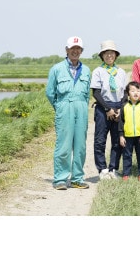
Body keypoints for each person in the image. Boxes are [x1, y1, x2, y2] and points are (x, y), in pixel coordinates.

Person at [46, 36, 91, 190]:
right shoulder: (57, 69)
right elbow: (50, 92)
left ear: (82, 51)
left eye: (78, 49)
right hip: (64, 107)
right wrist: (59, 107)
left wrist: (82, 106)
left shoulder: (86, 70)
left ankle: (77, 178)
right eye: (72, 48)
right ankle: (60, 179)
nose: (75, 51)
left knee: (80, 145)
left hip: (81, 107)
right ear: (67, 50)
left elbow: (87, 95)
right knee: (63, 145)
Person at [91, 40, 127, 180]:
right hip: (103, 108)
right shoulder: (98, 72)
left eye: (111, 53)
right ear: (102, 55)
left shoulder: (121, 72)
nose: (109, 56)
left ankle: (113, 168)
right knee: (100, 140)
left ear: (116, 55)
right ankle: (102, 169)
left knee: (117, 140)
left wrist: (119, 109)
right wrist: (107, 109)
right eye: (106, 53)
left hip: (118, 107)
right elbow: (96, 93)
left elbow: (124, 93)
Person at [118, 81, 140, 182]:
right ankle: (126, 173)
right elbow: (121, 121)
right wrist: (121, 135)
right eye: (132, 91)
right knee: (127, 155)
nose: (136, 93)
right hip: (127, 135)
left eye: (138, 90)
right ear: (128, 93)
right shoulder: (124, 106)